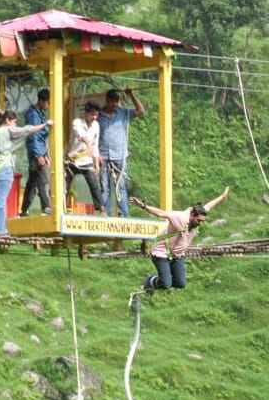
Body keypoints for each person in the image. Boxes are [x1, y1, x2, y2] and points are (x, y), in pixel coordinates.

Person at [132, 187, 230, 292]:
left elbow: (209, 205)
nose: (201, 223)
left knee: (180, 283)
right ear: (192, 215)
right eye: (199, 221)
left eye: (202, 221)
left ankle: (162, 281)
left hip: (177, 255)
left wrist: (222, 197)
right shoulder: (180, 217)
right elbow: (161, 213)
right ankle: (150, 282)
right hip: (162, 252)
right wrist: (143, 206)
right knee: (166, 284)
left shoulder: (198, 215)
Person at [0, 109, 50, 235]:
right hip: (5, 168)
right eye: (14, 122)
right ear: (7, 120)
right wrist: (44, 125)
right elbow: (26, 130)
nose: (15, 125)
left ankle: (1, 229)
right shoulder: (8, 130)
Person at [98, 87, 145, 217]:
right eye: (112, 101)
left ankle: (124, 214)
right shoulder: (99, 115)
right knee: (104, 187)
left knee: (121, 186)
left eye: (116, 102)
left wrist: (131, 95)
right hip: (103, 156)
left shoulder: (123, 113)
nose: (114, 104)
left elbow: (141, 111)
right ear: (107, 100)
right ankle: (105, 214)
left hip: (120, 156)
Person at [65, 101, 105, 214]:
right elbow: (80, 135)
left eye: (96, 115)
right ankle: (62, 208)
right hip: (72, 160)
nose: (94, 117)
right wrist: (88, 144)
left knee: (94, 184)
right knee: (66, 184)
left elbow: (95, 145)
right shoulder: (77, 122)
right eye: (92, 114)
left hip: (86, 161)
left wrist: (96, 163)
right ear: (86, 113)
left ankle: (101, 209)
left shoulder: (96, 125)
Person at [20, 88, 52, 216]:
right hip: (35, 153)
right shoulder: (33, 114)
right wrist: (39, 155)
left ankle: (24, 209)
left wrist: (46, 154)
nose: (49, 106)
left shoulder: (40, 113)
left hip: (40, 151)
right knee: (42, 179)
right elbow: (33, 136)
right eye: (48, 103)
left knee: (33, 182)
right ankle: (46, 207)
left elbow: (42, 137)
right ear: (42, 101)